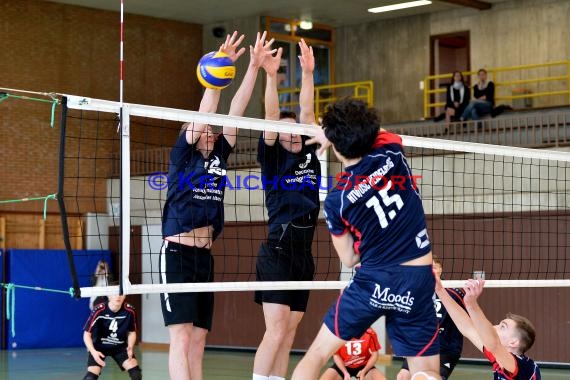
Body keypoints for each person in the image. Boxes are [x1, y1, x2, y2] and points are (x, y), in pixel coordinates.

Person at [291, 98, 441, 380]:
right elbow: (374, 130)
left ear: (334, 146)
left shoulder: (339, 200)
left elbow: (348, 258)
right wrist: (333, 132)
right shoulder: (391, 152)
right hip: (418, 279)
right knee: (426, 372)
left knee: (316, 356)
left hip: (373, 281)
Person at [160, 31, 275, 380]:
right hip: (177, 253)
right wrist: (220, 67)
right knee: (180, 337)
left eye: (211, 129)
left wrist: (252, 67)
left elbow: (236, 111)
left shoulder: (219, 155)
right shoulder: (183, 156)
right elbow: (207, 108)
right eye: (203, 128)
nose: (209, 129)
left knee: (198, 338)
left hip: (204, 257)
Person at [252, 39, 321, 380]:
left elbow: (307, 114)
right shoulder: (273, 158)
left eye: (296, 130)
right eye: (285, 130)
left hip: (303, 256)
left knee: (289, 334)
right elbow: (270, 116)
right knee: (276, 331)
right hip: (277, 251)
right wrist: (270, 76)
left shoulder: (309, 152)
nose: (292, 133)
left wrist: (308, 74)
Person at [435, 278, 541, 379]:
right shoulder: (497, 357)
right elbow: (467, 327)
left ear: (513, 342)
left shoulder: (526, 367)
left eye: (502, 327)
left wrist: (472, 304)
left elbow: (494, 344)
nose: (494, 327)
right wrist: (439, 290)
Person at [397, 256, 465, 380]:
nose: (431, 270)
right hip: (422, 346)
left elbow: (465, 320)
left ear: (440, 270)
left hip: (445, 348)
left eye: (434, 267)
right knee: (403, 376)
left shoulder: (453, 292)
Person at [82, 293, 140, 380]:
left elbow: (132, 332)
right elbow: (86, 334)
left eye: (121, 294)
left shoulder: (130, 310)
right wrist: (93, 351)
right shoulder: (99, 310)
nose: (118, 296)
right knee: (90, 378)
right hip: (99, 347)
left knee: (136, 374)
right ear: (108, 296)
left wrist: (130, 347)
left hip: (119, 347)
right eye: (114, 294)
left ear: (125, 296)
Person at [319, 328, 386, 380]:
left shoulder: (370, 332)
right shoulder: (338, 332)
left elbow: (375, 354)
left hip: (363, 365)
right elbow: (336, 355)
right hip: (343, 365)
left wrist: (364, 371)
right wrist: (344, 372)